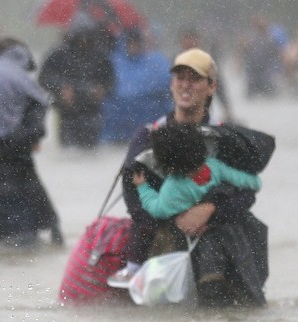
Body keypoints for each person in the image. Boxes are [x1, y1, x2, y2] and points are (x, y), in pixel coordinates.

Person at [108, 48, 268, 307]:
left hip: (217, 234)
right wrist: (173, 220)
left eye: (194, 79)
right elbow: (133, 196)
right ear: (171, 86)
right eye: (180, 78)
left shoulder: (226, 139)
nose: (185, 85)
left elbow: (246, 194)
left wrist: (210, 211)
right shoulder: (147, 136)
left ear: (211, 87)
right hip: (161, 234)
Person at [0, 37, 61, 249]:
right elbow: (37, 128)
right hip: (13, 163)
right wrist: (9, 148)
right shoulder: (23, 80)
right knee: (24, 233)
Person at [133, 124, 261, 220]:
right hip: (220, 230)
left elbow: (157, 210)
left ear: (167, 165)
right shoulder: (213, 166)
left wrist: (143, 187)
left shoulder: (173, 187)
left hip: (191, 240)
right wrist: (255, 181)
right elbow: (240, 179)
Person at [39, 25, 115, 150]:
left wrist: (101, 89)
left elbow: (110, 81)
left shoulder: (100, 56)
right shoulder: (59, 55)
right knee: (69, 151)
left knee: (91, 151)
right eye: (79, 38)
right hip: (67, 112)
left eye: (86, 38)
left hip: (92, 111)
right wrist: (61, 87)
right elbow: (44, 78)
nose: (82, 42)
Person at [99, 28, 172, 144]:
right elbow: (107, 85)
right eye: (130, 43)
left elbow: (165, 84)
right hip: (117, 120)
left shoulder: (156, 61)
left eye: (136, 43)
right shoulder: (114, 61)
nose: (133, 46)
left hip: (147, 116)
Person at [178, 27, 235, 123]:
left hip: (202, 113)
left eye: (191, 40)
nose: (189, 43)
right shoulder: (175, 61)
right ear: (181, 43)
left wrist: (227, 108)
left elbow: (218, 85)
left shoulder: (207, 62)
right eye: (186, 40)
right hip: (179, 113)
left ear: (198, 41)